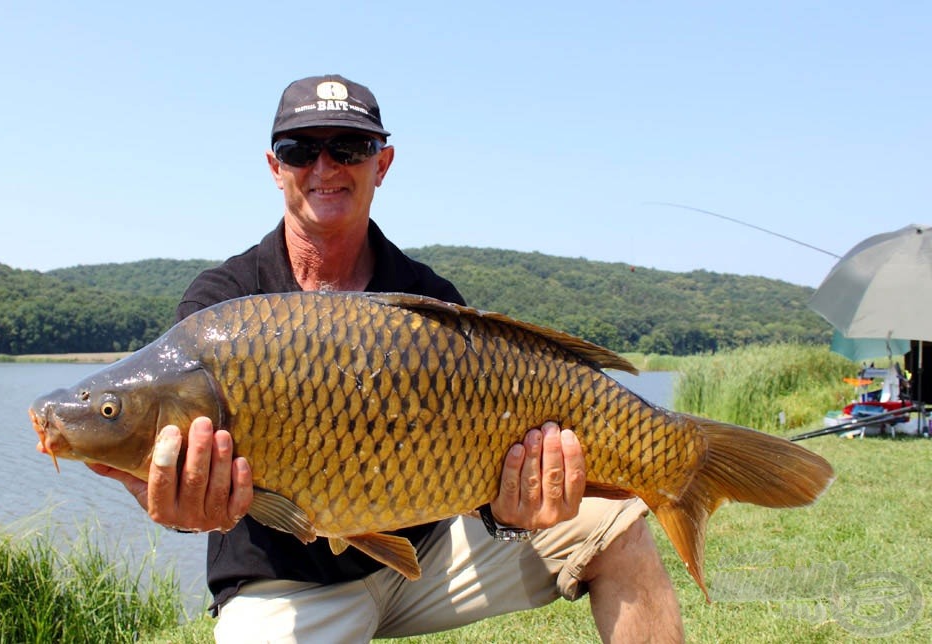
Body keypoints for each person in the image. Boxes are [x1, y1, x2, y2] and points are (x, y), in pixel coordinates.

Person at [93, 74, 684, 643]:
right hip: (288, 581)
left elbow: (480, 491)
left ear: (383, 163)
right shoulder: (221, 307)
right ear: (276, 168)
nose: (325, 168)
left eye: (349, 147)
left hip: (431, 553)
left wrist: (512, 509)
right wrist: (176, 505)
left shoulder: (427, 298)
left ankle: (688, 470)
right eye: (301, 150)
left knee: (620, 532)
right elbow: (180, 495)